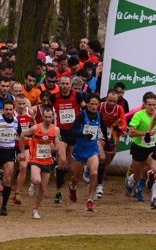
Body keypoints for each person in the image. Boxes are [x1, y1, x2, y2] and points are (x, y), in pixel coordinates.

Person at [68, 93, 106, 211]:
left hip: (92, 149)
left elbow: (103, 127)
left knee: (94, 173)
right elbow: (71, 131)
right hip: (80, 149)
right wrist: (83, 135)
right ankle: (72, 187)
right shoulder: (82, 115)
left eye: (96, 104)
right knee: (76, 177)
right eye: (91, 104)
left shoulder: (99, 115)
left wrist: (108, 140)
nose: (94, 107)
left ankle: (90, 200)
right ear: (87, 104)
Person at [50, 75, 85, 203]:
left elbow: (85, 110)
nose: (64, 86)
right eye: (62, 84)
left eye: (67, 84)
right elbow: (47, 110)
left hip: (74, 133)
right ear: (59, 84)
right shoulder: (54, 97)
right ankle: (58, 192)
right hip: (61, 132)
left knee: (70, 167)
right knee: (62, 161)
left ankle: (70, 185)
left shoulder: (77, 96)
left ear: (70, 85)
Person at [20, 106, 58, 218]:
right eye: (45, 117)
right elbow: (22, 135)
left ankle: (35, 209)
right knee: (37, 180)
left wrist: (54, 148)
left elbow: (57, 147)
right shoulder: (36, 128)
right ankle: (33, 183)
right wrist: (22, 151)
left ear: (53, 117)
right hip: (35, 159)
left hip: (47, 160)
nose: (47, 119)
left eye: (49, 117)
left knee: (43, 188)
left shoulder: (55, 130)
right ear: (42, 117)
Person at [125, 93, 156, 202]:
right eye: (149, 105)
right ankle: (130, 182)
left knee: (154, 170)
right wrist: (146, 133)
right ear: (144, 104)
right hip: (138, 148)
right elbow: (131, 133)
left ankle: (152, 197)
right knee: (137, 176)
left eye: (154, 105)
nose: (152, 107)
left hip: (152, 147)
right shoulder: (139, 115)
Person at [96, 89, 127, 198]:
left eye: (114, 101)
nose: (112, 103)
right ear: (106, 99)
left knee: (106, 161)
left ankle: (96, 178)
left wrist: (120, 128)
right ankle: (99, 186)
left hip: (112, 135)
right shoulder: (100, 106)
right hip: (99, 133)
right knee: (102, 158)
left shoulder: (119, 108)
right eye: (110, 100)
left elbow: (124, 123)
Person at [12, 94, 35, 205]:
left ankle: (17, 193)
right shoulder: (11, 113)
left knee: (24, 166)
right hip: (12, 144)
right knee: (9, 171)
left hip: (25, 144)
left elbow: (34, 126)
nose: (21, 106)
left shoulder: (30, 112)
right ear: (15, 104)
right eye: (19, 104)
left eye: (23, 104)